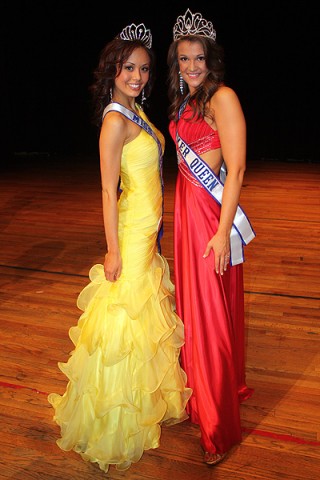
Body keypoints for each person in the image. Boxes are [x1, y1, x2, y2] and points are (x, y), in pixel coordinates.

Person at [48, 22, 192, 474]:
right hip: (129, 233)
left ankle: (138, 402)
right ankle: (111, 419)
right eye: (129, 67)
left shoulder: (134, 113)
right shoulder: (114, 120)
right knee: (121, 326)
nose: (137, 76)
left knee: (141, 323)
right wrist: (113, 249)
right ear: (113, 69)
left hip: (146, 233)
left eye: (144, 69)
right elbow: (108, 191)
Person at [167, 8, 256, 466]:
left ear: (211, 58)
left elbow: (235, 168)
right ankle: (205, 394)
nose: (191, 66)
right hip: (186, 217)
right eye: (184, 59)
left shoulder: (223, 97)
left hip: (208, 221)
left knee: (209, 319)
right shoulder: (186, 102)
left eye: (198, 57)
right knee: (195, 315)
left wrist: (223, 233)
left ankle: (217, 429)